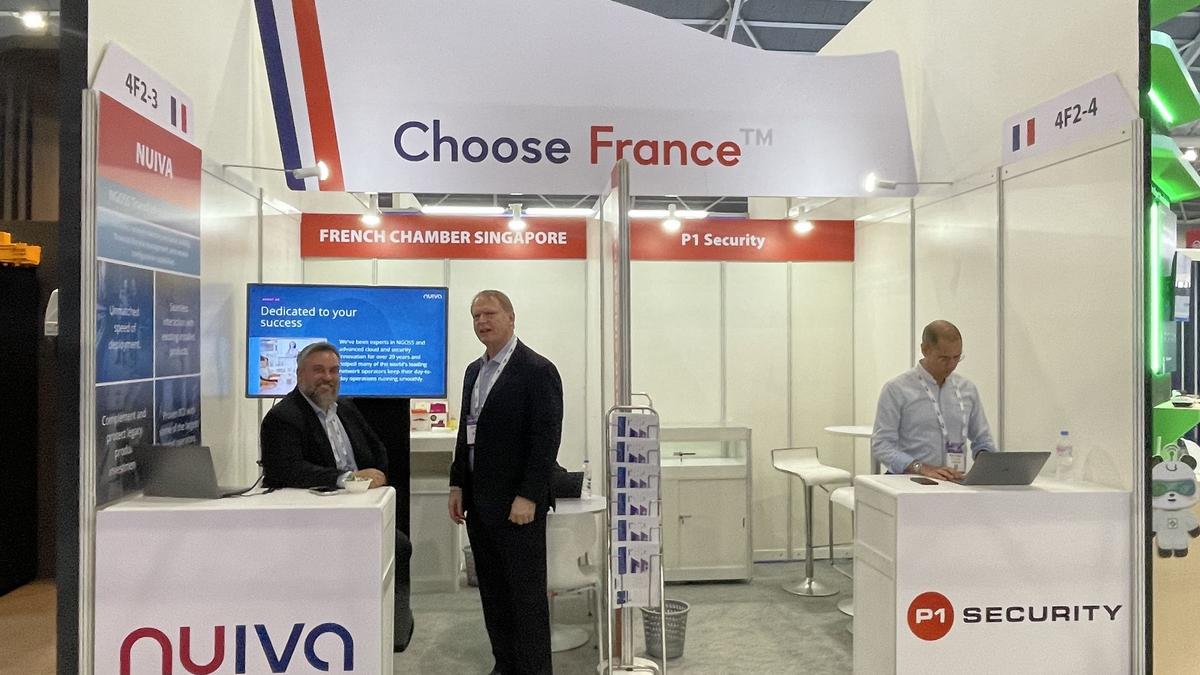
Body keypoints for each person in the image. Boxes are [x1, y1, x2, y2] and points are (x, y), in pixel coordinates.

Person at [259, 341, 415, 652]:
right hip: (318, 517)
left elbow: (377, 450)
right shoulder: (283, 417)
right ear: (300, 374)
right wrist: (347, 479)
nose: (327, 378)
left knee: (399, 546)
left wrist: (378, 474)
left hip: (365, 508)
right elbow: (288, 469)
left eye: (334, 371)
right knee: (394, 546)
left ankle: (391, 628)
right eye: (318, 370)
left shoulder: (346, 408)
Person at [448, 290, 563, 675]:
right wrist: (457, 484)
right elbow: (466, 432)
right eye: (475, 316)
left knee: (526, 599)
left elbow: (545, 439)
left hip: (518, 507)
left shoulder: (537, 370)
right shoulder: (473, 372)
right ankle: (506, 666)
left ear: (511, 318)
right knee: (494, 595)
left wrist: (529, 495)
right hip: (479, 504)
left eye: (490, 314)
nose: (482, 322)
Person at [871, 320, 997, 480]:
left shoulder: (967, 389)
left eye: (957, 357)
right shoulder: (896, 389)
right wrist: (920, 468)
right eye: (943, 358)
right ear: (925, 350)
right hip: (908, 481)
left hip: (953, 481)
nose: (951, 364)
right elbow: (882, 445)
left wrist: (989, 465)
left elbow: (983, 440)